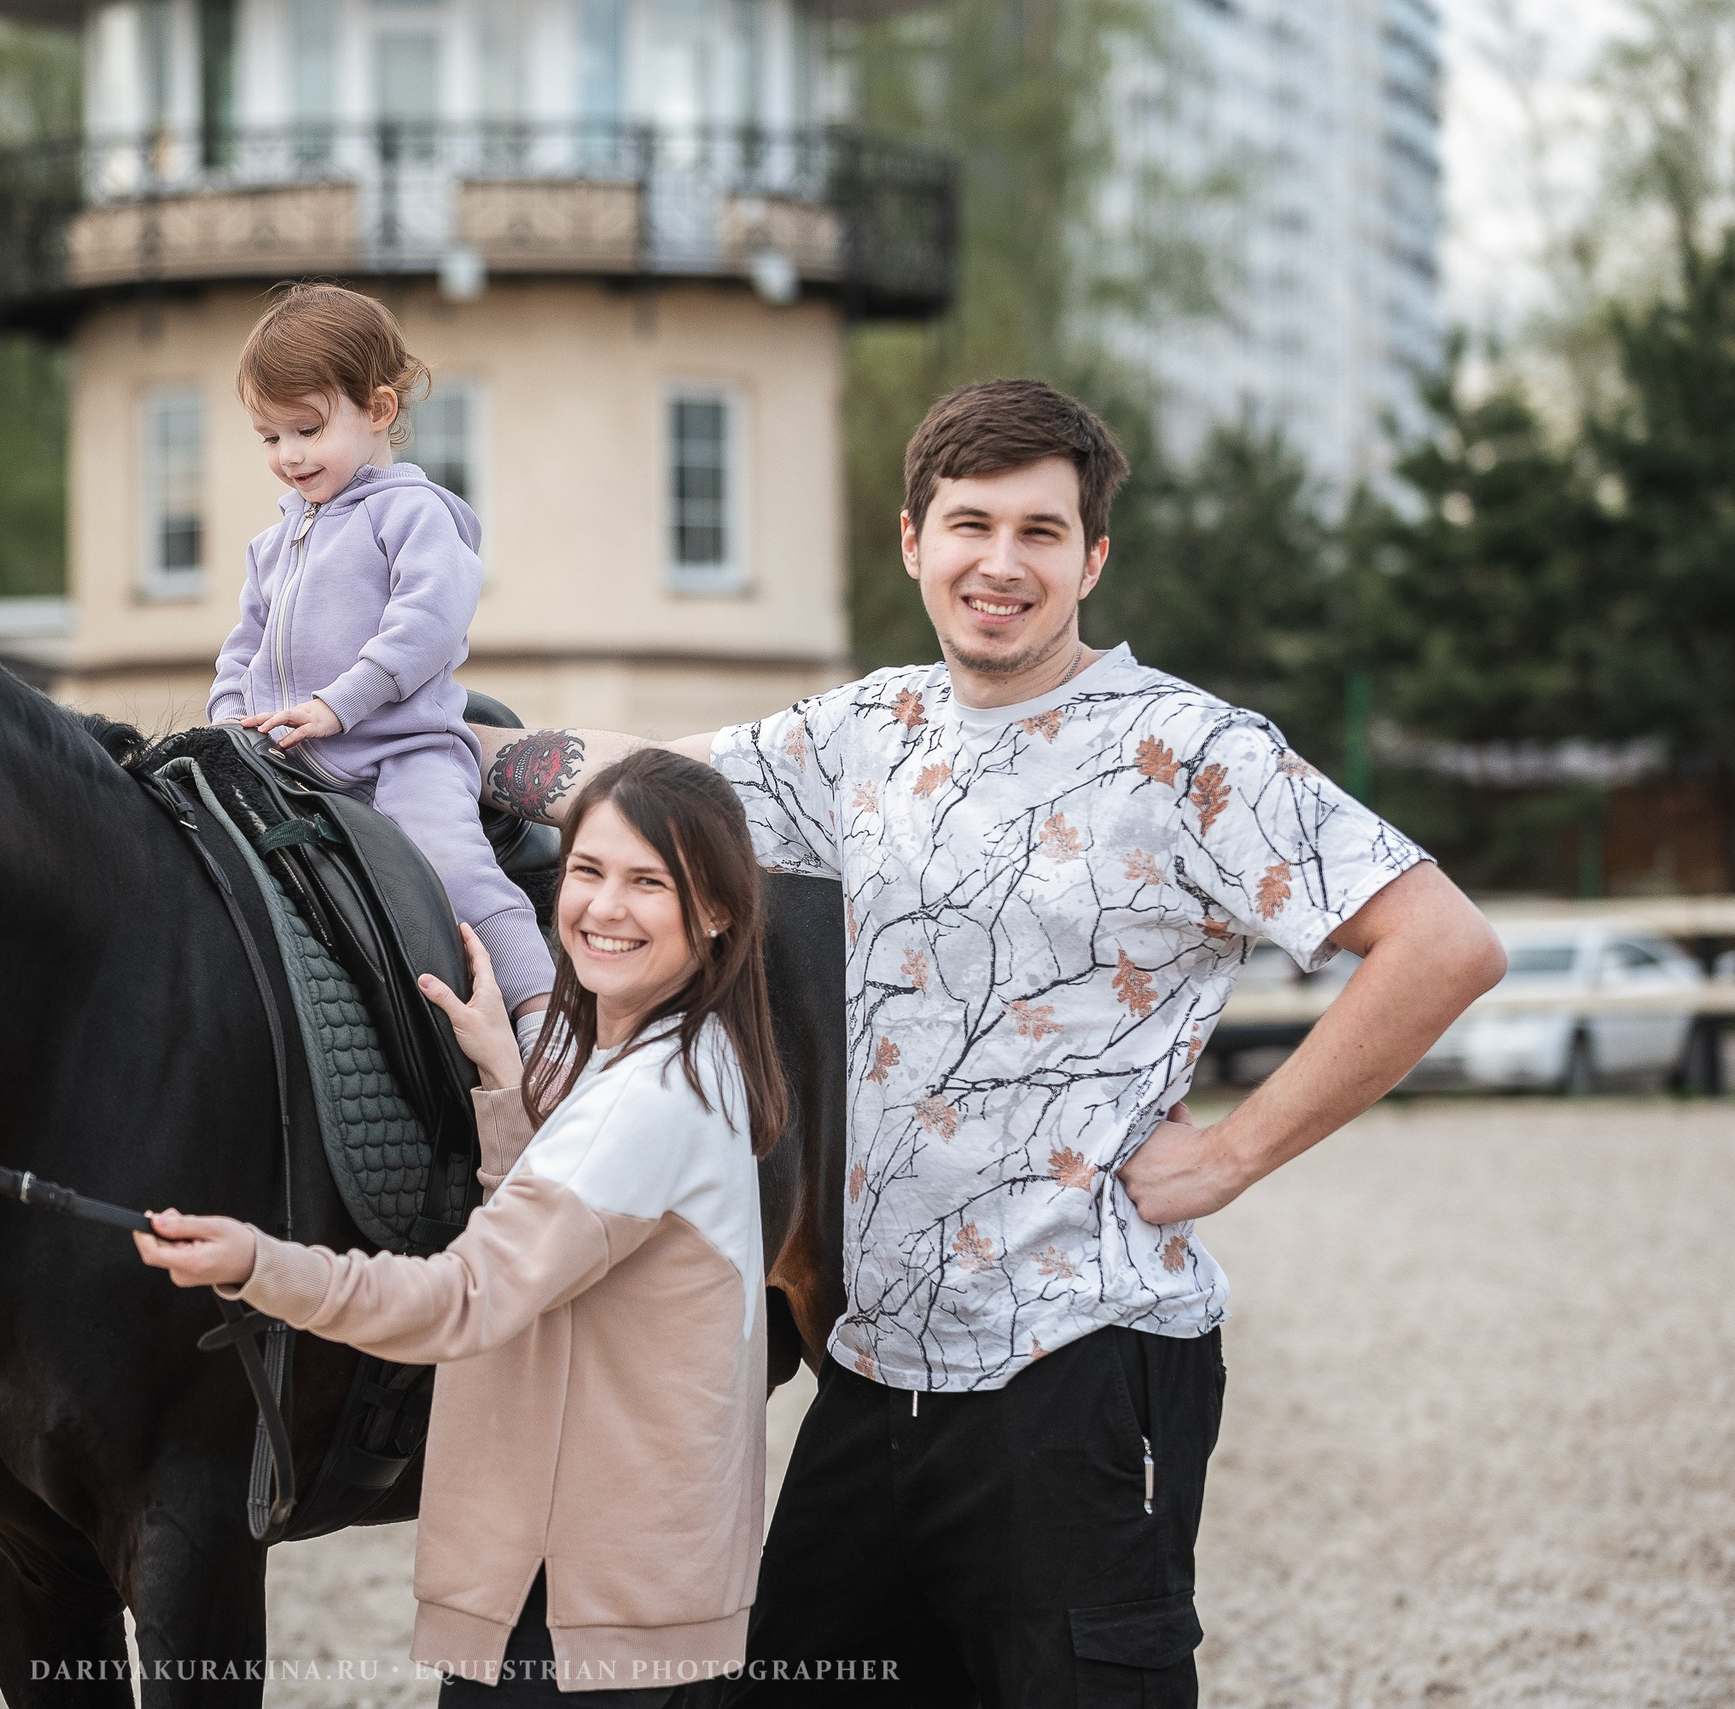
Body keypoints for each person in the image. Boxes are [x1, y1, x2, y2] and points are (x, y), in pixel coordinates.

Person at [469, 380, 1509, 1705]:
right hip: (872, 1372)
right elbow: (647, 780)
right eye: (970, 524)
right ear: (913, 541)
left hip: (1074, 1370)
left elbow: (1443, 942)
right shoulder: (870, 732)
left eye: (1040, 531)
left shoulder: (1185, 753)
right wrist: (452, 745)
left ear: (1093, 557)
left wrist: (1235, 1154)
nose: (1001, 564)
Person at [136, 750, 788, 1703]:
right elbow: (576, 1247)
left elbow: (465, 1297)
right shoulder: (697, 1052)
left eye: (650, 882)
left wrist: (260, 1263)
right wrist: (502, 1084)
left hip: (578, 1619)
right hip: (633, 1593)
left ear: (718, 909)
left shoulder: (645, 1100)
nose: (604, 908)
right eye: (589, 871)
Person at [210, 281, 555, 1036]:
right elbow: (244, 645)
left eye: (305, 429)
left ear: (379, 411)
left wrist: (343, 701)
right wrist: (225, 724)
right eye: (270, 438)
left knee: (451, 864)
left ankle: (539, 1011)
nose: (289, 456)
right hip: (288, 758)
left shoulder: (415, 513)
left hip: (400, 752)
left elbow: (429, 622)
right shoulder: (273, 544)